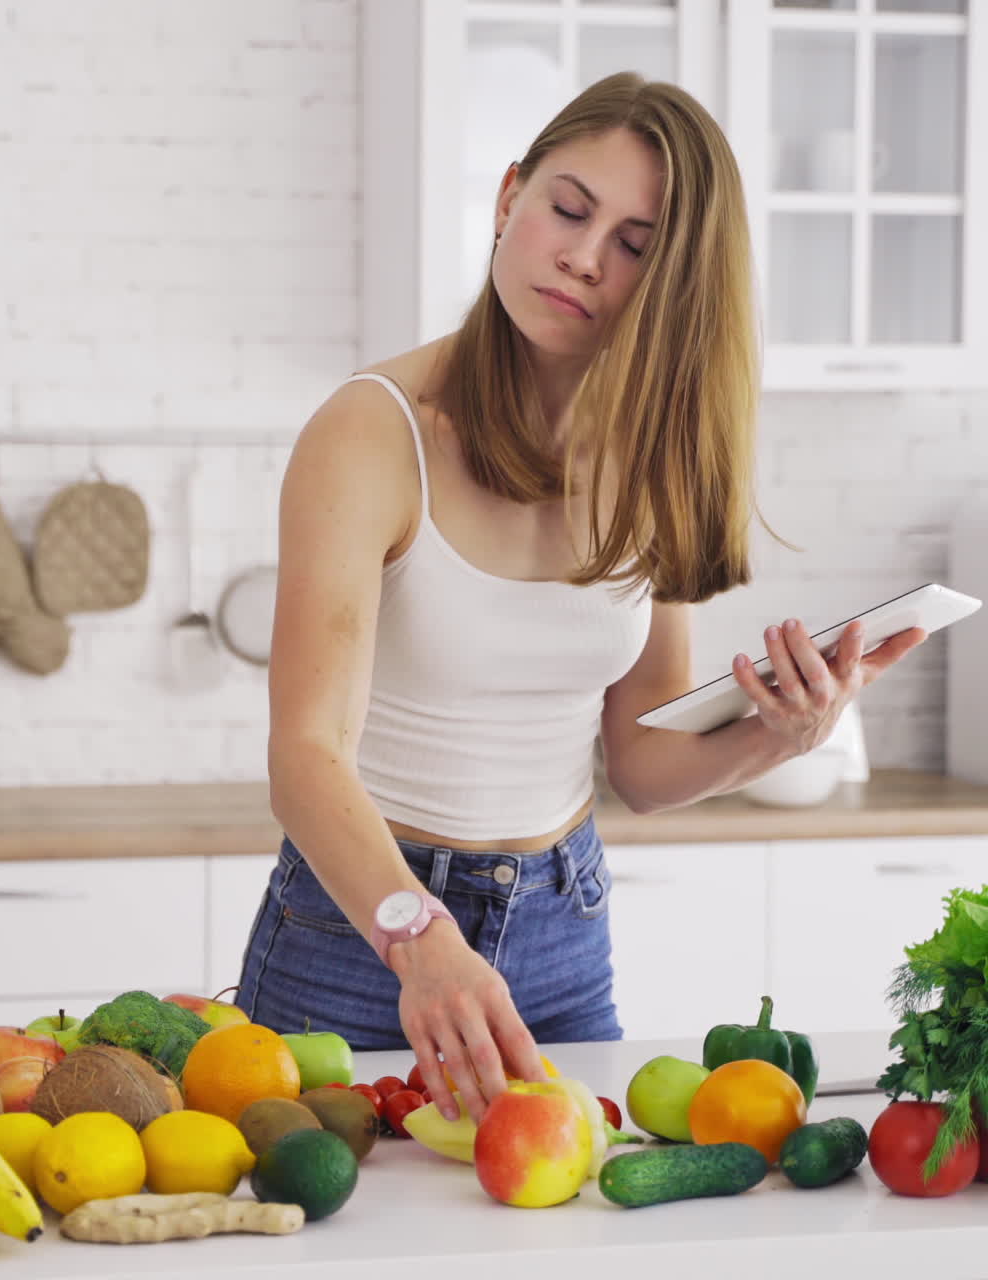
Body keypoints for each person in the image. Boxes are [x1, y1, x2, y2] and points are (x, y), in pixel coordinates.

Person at [235, 72, 924, 1124]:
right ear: (509, 196)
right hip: (358, 932)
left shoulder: (653, 462)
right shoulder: (371, 432)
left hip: (562, 929)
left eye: (634, 243)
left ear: (669, 282)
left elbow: (640, 764)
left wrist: (780, 735)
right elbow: (304, 755)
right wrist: (420, 940)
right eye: (566, 207)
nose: (583, 255)